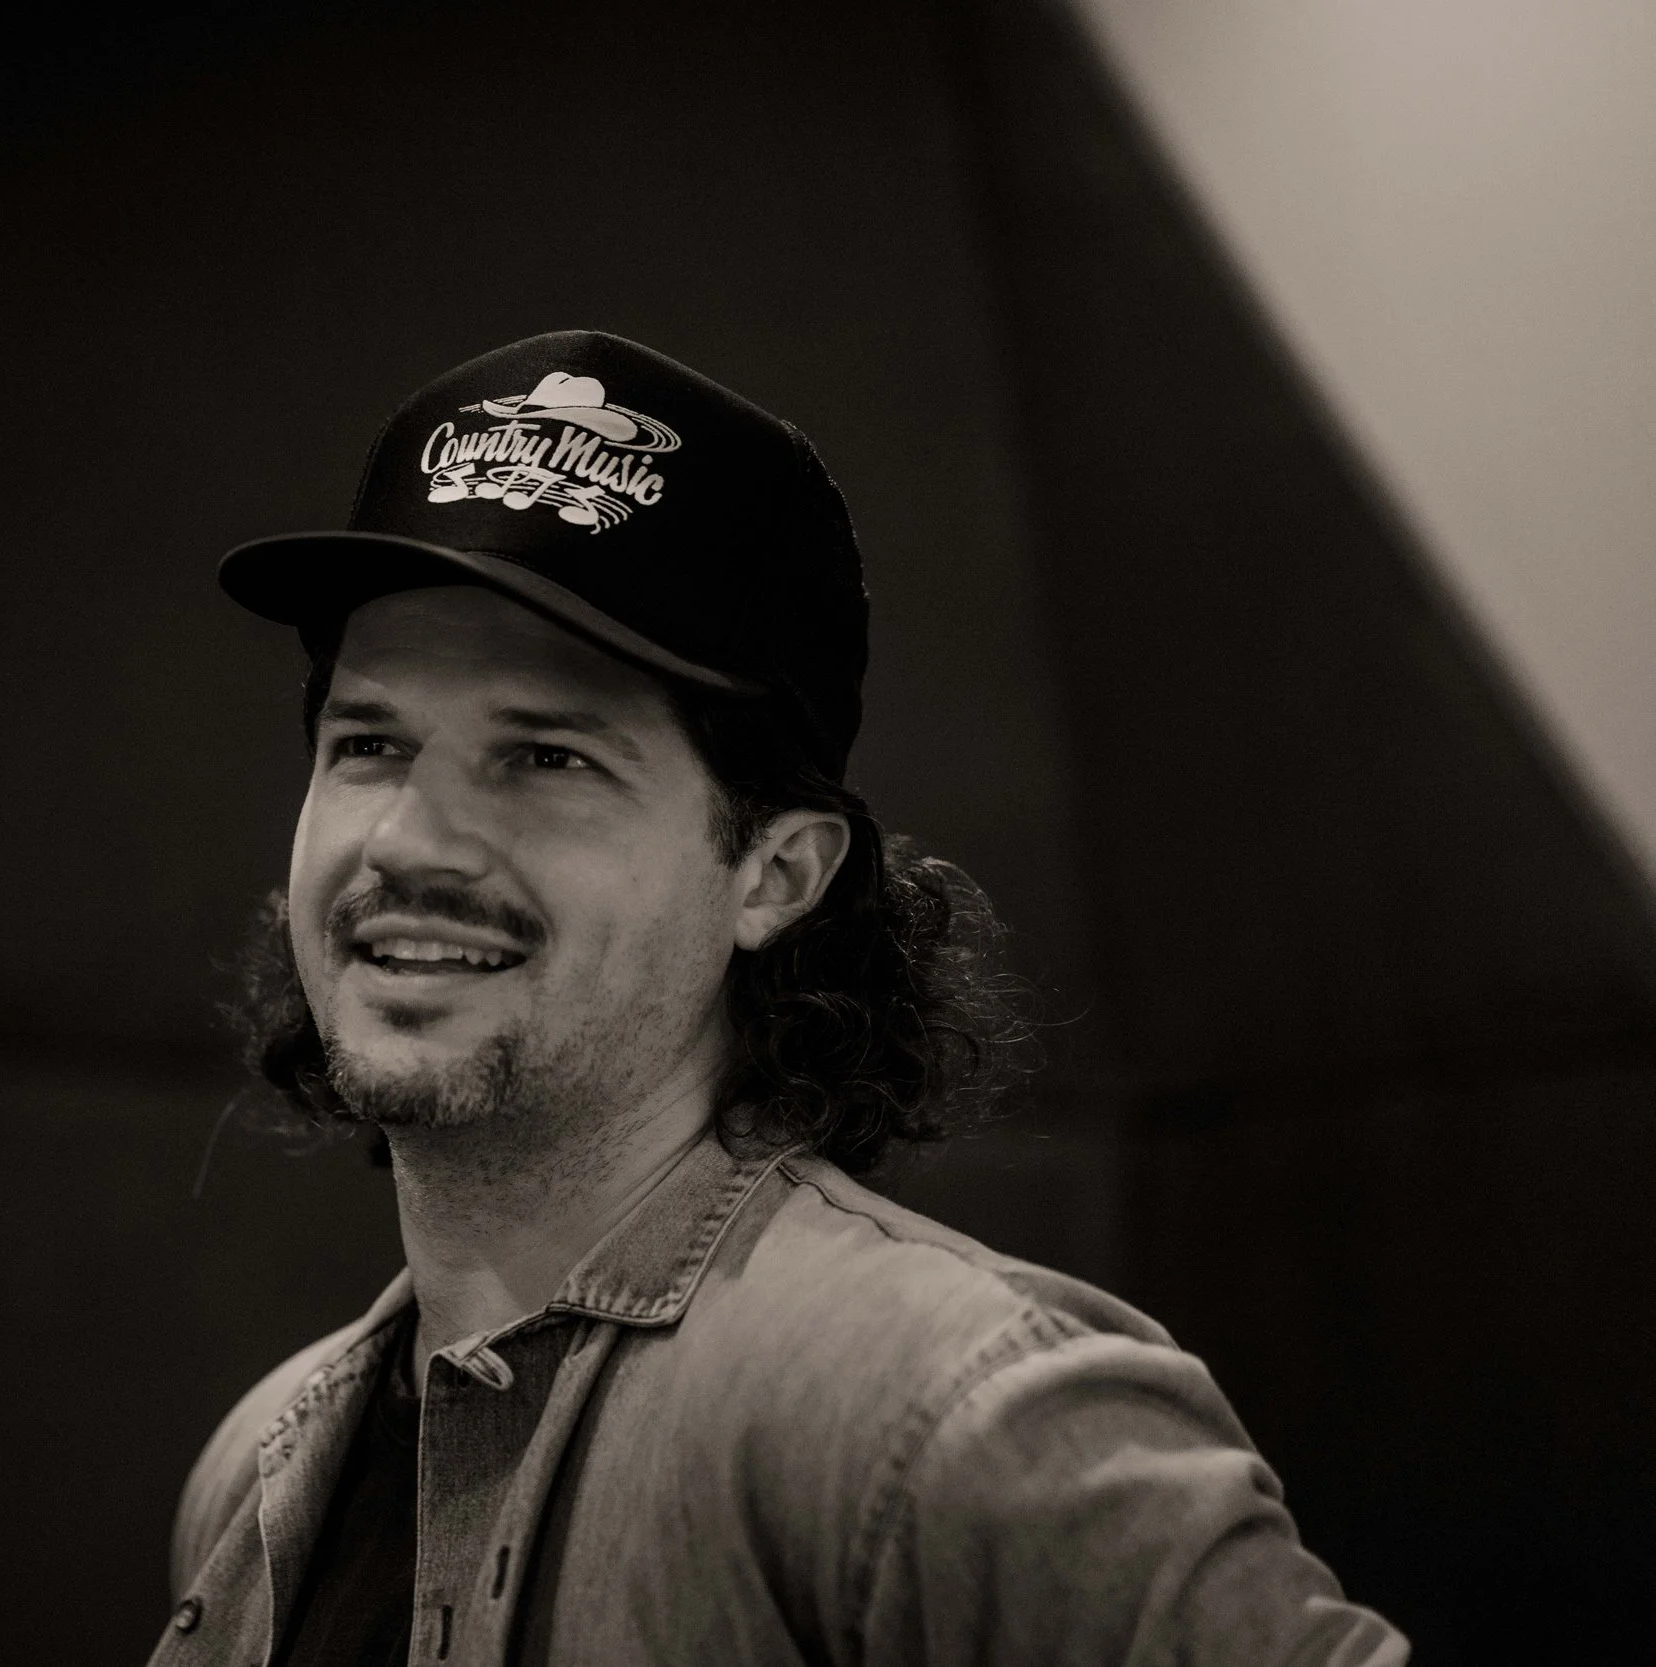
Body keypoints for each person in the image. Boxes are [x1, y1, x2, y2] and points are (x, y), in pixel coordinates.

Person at [151, 332, 1405, 1667]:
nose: (410, 839)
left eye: (548, 755)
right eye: (368, 742)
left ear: (775, 874)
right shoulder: (257, 1472)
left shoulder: (948, 1414)